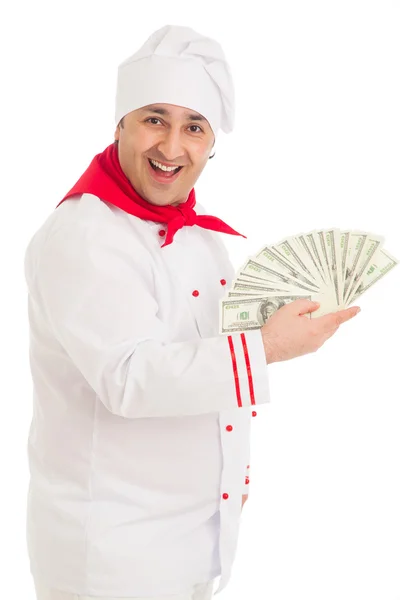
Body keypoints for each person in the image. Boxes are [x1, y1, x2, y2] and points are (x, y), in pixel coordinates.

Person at [23, 24, 360, 600]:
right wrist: (269, 347)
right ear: (120, 125)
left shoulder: (203, 241)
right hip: (112, 552)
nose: (172, 147)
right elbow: (132, 378)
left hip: (193, 539)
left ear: (211, 144)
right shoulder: (85, 236)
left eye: (193, 127)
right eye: (155, 118)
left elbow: (204, 365)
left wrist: (233, 477)